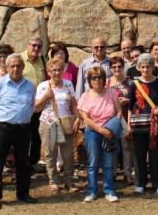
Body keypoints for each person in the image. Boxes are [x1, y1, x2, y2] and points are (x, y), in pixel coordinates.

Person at [0, 53, 37, 210]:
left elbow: (32, 106)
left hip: (23, 129)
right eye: (12, 66)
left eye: (19, 66)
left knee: (23, 163)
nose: (15, 69)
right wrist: (2, 122)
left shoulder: (30, 86)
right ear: (7, 68)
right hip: (3, 129)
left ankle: (23, 193)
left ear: (23, 68)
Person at [34, 58, 80, 194]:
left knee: (68, 154)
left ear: (63, 70)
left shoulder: (68, 84)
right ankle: (53, 181)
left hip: (65, 122)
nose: (56, 72)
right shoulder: (42, 86)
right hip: (48, 123)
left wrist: (76, 118)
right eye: (53, 70)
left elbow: (73, 104)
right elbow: (36, 108)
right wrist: (45, 97)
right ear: (48, 72)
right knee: (50, 153)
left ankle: (69, 180)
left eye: (59, 69)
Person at [78, 66, 122, 203]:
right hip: (93, 132)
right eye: (93, 77)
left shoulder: (112, 93)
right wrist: (100, 129)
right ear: (89, 80)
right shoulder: (85, 96)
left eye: (99, 77)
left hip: (109, 131)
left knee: (109, 163)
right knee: (92, 163)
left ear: (104, 79)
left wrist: (112, 128)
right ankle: (92, 191)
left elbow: (119, 112)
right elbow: (85, 118)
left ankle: (109, 190)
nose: (97, 80)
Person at [128, 53, 158, 195]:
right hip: (138, 125)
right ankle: (140, 183)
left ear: (153, 67)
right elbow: (130, 107)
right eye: (143, 67)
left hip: (154, 125)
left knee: (156, 154)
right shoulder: (134, 84)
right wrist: (129, 125)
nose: (146, 70)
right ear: (139, 68)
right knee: (139, 155)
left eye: (148, 66)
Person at [21, 37, 47, 172]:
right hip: (23, 104)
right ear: (28, 45)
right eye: (34, 45)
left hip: (39, 105)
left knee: (36, 134)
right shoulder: (19, 60)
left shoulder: (43, 61)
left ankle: (33, 161)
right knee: (23, 134)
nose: (36, 48)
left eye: (39, 46)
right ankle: (22, 162)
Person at [106, 56, 134, 184]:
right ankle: (112, 173)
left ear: (123, 67)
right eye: (114, 66)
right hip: (111, 119)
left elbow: (136, 100)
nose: (117, 69)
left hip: (126, 116)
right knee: (112, 147)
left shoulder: (130, 82)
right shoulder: (106, 83)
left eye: (119, 66)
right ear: (110, 68)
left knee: (127, 146)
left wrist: (127, 100)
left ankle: (128, 173)